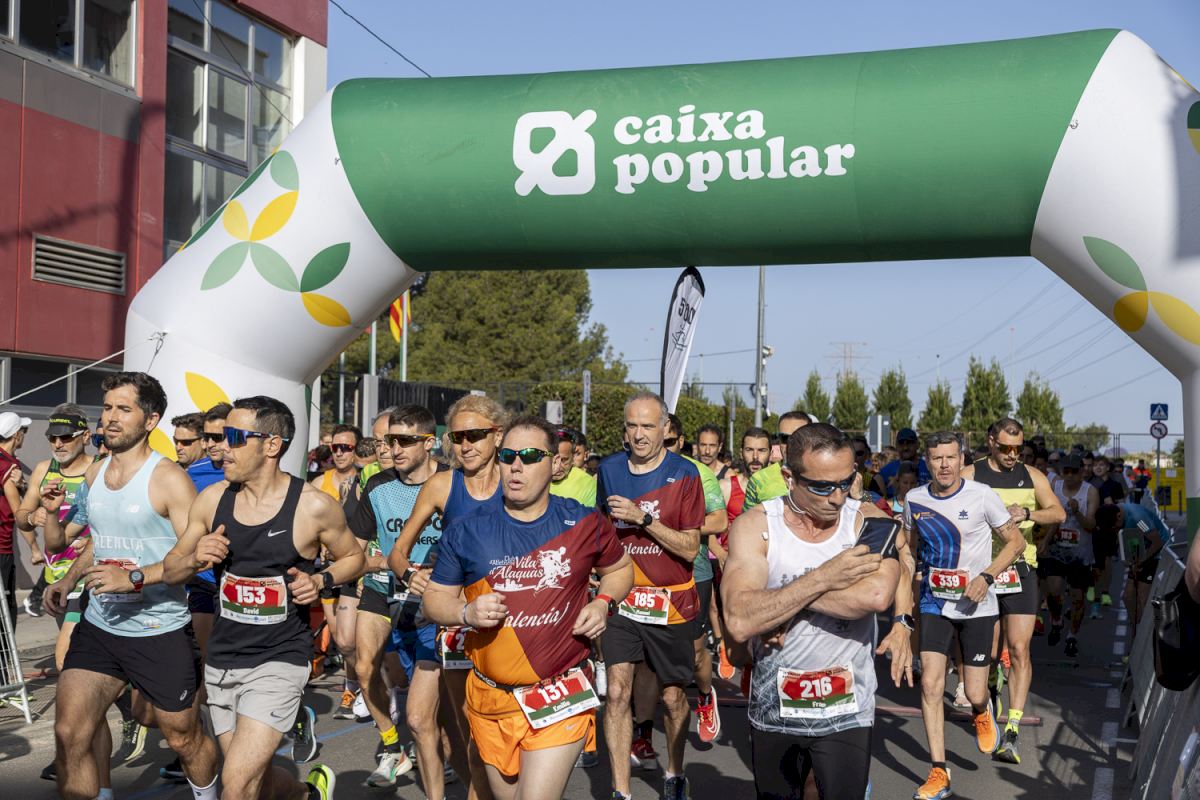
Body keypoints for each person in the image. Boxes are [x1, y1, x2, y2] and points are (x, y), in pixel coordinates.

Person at [423, 415, 635, 800]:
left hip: (559, 691)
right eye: (508, 456)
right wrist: (465, 613)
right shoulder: (467, 529)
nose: (516, 466)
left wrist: (603, 603)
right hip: (492, 696)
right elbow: (434, 598)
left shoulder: (584, 522)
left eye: (531, 456)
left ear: (555, 464)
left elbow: (620, 569)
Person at [164, 394, 364, 800]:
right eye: (221, 436)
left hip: (280, 658)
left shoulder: (313, 506)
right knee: (252, 779)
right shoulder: (213, 500)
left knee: (236, 786)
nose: (223, 446)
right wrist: (195, 558)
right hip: (223, 658)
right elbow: (170, 569)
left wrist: (321, 580)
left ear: (271, 445)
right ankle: (305, 794)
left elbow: (354, 558)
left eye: (235, 437)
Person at [39, 372, 219, 800]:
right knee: (70, 732)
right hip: (100, 627)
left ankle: (209, 793)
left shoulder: (169, 479)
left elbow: (195, 558)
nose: (111, 418)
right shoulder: (95, 473)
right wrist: (69, 575)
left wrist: (134, 577)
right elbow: (86, 540)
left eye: (124, 409)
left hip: (158, 630)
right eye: (107, 408)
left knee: (181, 736)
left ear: (151, 420)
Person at [723, 423, 907, 800]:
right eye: (822, 487)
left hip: (847, 710)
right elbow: (740, 619)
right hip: (776, 707)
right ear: (789, 477)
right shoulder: (756, 525)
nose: (837, 498)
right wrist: (826, 576)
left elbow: (875, 595)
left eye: (846, 482)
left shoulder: (869, 521)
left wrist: (780, 602)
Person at [390, 394, 509, 800]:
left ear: (497, 435)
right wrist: (412, 576)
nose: (466, 445)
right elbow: (398, 552)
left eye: (475, 435)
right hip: (457, 618)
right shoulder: (443, 485)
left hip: (510, 618)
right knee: (467, 730)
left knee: (503, 728)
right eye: (457, 437)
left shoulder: (516, 480)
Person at [900, 431, 1025, 800]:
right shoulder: (914, 499)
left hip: (977, 606)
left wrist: (986, 577)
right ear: (927, 461)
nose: (944, 465)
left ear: (961, 459)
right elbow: (908, 547)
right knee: (930, 684)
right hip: (934, 602)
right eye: (937, 458)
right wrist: (910, 577)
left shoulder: (982, 495)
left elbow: (1016, 543)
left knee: (973, 691)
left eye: (951, 457)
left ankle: (982, 711)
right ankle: (939, 771)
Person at [596, 392, 705, 800]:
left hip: (670, 602)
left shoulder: (685, 473)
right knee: (617, 692)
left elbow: (690, 549)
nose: (639, 434)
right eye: (632, 426)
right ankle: (621, 791)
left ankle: (674, 772)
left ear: (665, 429)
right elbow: (600, 530)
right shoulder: (608, 469)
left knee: (673, 698)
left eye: (647, 426)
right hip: (623, 597)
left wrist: (643, 519)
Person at [351, 405, 445, 790]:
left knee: (426, 688)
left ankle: (440, 746)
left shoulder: (450, 482)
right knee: (364, 667)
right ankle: (393, 748)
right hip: (384, 587)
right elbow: (354, 549)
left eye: (404, 440)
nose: (394, 449)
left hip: (435, 594)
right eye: (390, 441)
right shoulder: (377, 485)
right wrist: (368, 565)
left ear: (429, 442)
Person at [961, 418, 1065, 764]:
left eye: (1018, 449)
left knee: (1019, 649)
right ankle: (989, 694)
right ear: (991, 441)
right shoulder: (971, 474)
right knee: (990, 652)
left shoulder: (1031, 476)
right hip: (983, 572)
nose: (1012, 455)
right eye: (1006, 448)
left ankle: (1013, 730)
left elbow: (1058, 513)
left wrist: (1028, 513)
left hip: (1021, 569)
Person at [313, 423, 364, 720]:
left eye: (347, 447)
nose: (340, 453)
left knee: (349, 638)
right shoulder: (320, 483)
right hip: (328, 569)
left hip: (356, 568)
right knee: (340, 638)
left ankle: (354, 686)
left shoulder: (365, 480)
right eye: (335, 447)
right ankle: (359, 680)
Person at [1040, 453, 1099, 657]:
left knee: (1077, 598)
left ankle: (1072, 636)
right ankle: (1056, 621)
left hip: (1080, 554)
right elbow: (1053, 518)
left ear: (1082, 472)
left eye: (1075, 471)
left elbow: (1091, 525)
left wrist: (1077, 512)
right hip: (1057, 551)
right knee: (1053, 591)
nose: (1070, 475)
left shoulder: (1090, 492)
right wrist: (1045, 541)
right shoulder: (1055, 488)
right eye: (1067, 471)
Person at [742, 412, 812, 511]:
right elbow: (748, 519)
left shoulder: (825, 477)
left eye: (798, 438)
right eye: (784, 438)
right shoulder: (758, 480)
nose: (790, 444)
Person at [0, 411, 30, 633]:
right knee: (6, 610)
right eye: (23, 431)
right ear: (16, 435)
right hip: (2, 548)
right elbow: (20, 512)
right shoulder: (8, 466)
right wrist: (35, 547)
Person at [1087, 455, 1125, 614]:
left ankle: (1105, 592)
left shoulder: (1114, 485)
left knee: (1107, 562)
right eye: (1095, 465)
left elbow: (1122, 506)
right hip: (1092, 529)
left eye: (1101, 464)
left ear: (1108, 468)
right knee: (1092, 562)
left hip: (1109, 531)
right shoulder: (1089, 484)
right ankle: (1092, 586)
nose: (1098, 467)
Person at [722, 427, 770, 522]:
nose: (755, 456)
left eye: (761, 450)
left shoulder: (783, 490)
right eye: (749, 450)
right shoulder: (725, 487)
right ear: (741, 453)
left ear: (771, 454)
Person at [873, 428, 930, 498]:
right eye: (901, 443)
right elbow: (877, 499)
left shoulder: (928, 468)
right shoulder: (886, 471)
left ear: (918, 444)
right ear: (896, 445)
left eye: (909, 443)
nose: (905, 447)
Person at [550, 430, 597, 507]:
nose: (558, 466)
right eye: (553, 460)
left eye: (564, 460)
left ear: (572, 458)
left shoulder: (588, 484)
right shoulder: (533, 478)